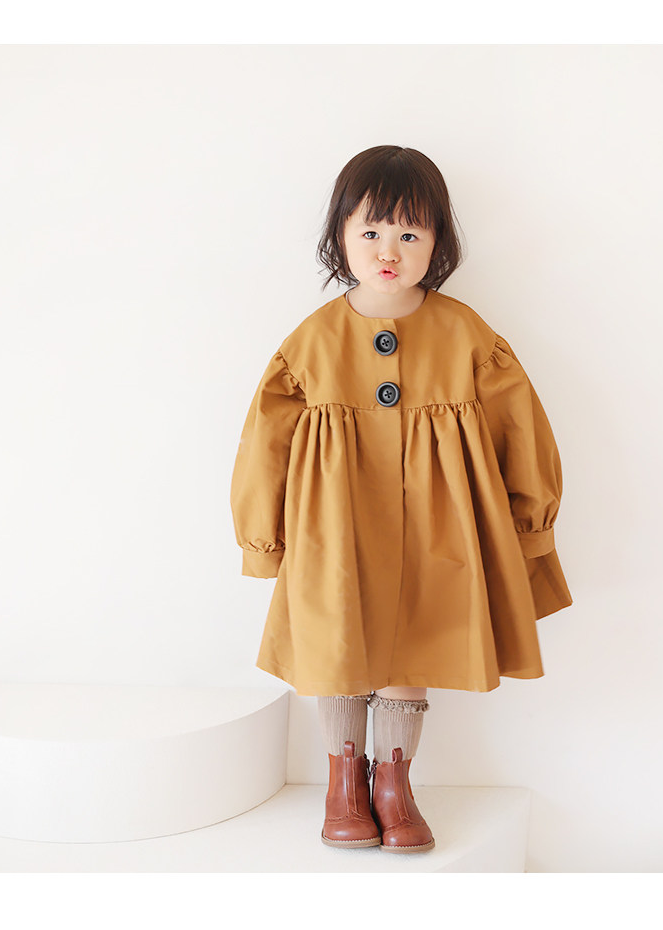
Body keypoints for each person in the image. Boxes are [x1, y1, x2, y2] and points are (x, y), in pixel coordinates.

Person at [230, 145, 573, 853]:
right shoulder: (313, 342)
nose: (389, 251)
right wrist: (264, 540)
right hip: (335, 531)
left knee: (411, 656)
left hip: (437, 535)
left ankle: (394, 785)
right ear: (340, 236)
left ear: (438, 242)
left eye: (410, 233)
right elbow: (264, 444)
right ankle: (343, 784)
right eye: (372, 231)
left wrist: (529, 525)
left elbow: (522, 429)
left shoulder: (466, 335)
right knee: (339, 653)